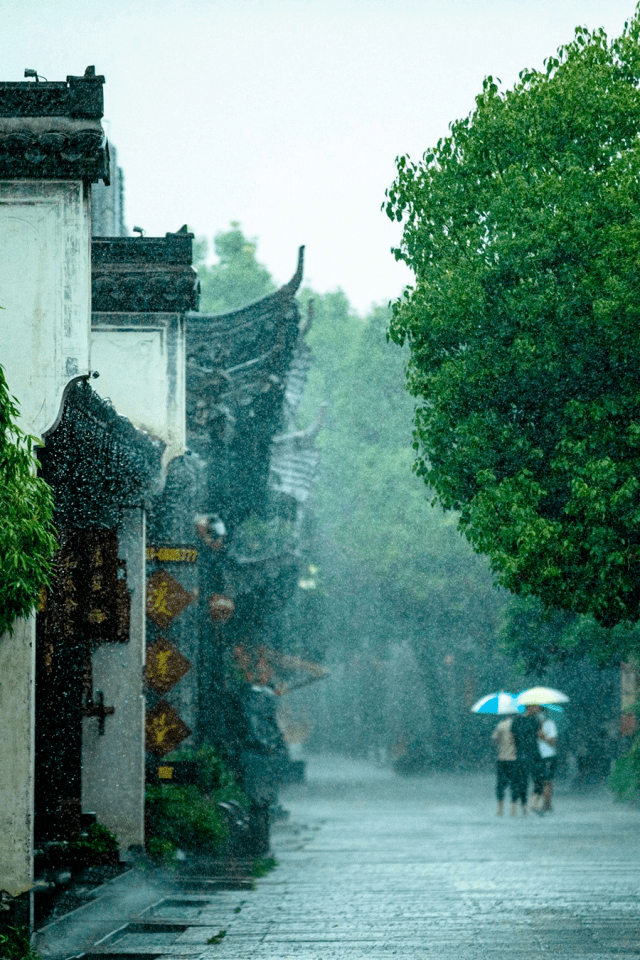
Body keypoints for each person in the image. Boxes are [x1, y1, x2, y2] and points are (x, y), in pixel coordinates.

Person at [511, 704, 544, 814]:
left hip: (527, 753)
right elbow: (539, 734)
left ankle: (530, 804)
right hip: (529, 753)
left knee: (533, 779)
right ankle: (527, 805)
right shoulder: (534, 721)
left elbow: (513, 738)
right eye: (535, 707)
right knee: (526, 780)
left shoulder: (519, 720)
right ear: (529, 707)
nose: (537, 709)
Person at [491, 714, 517, 816]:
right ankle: (513, 810)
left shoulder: (501, 725)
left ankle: (500, 809)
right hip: (514, 759)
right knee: (514, 785)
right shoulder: (517, 725)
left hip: (502, 758)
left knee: (500, 785)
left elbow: (495, 740)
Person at [538, 708, 558, 811]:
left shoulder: (550, 724)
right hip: (538, 757)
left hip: (549, 756)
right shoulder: (533, 725)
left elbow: (554, 742)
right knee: (543, 782)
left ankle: (546, 805)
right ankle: (548, 804)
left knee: (547, 781)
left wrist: (543, 737)